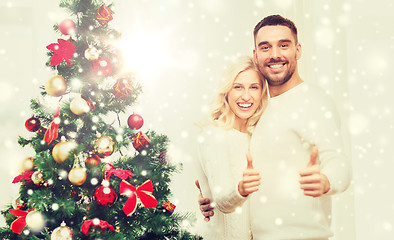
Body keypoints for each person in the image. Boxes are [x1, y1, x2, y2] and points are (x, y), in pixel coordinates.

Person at [197, 15, 351, 240]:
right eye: (265, 47)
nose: (275, 54)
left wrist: (327, 181)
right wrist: (210, 198)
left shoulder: (315, 101)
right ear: (256, 55)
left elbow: (339, 161)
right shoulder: (259, 109)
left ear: (298, 50)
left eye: (284, 45)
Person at [195, 56, 268, 240]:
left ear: (262, 93)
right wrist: (241, 189)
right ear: (227, 91)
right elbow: (221, 201)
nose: (246, 96)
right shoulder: (214, 135)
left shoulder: (255, 137)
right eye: (238, 87)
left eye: (254, 87)